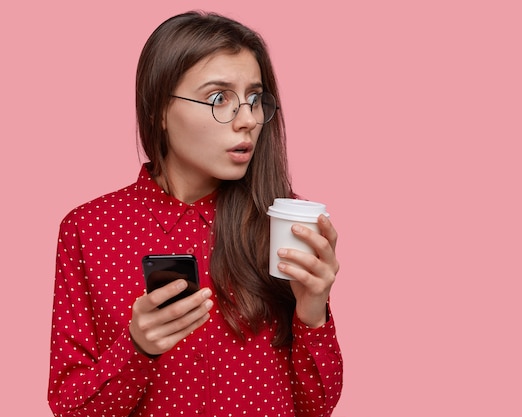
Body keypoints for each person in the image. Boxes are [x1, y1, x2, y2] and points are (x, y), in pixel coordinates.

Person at [48, 11, 343, 417]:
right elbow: (71, 408)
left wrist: (314, 310)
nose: (247, 121)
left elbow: (318, 407)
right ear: (158, 112)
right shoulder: (90, 229)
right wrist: (137, 348)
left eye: (255, 100)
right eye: (219, 98)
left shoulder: (283, 222)